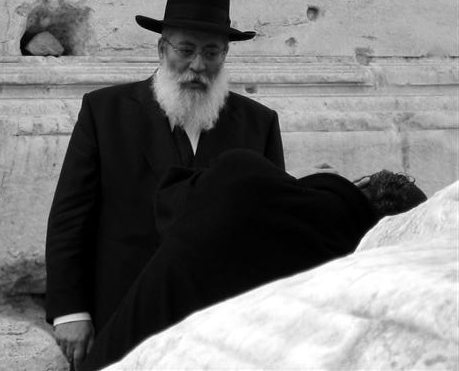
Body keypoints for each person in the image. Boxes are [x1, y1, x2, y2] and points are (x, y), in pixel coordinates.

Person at [45, 0, 285, 368]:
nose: (198, 65)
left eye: (212, 53)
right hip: (122, 315)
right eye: (186, 49)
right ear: (162, 48)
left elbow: (273, 231)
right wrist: (71, 311)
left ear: (226, 55)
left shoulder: (259, 124)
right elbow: (70, 218)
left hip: (221, 328)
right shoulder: (105, 113)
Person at [80, 150, 427, 371]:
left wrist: (291, 178)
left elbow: (168, 203)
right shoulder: (344, 280)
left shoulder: (242, 174)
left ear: (360, 181)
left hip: (122, 356)